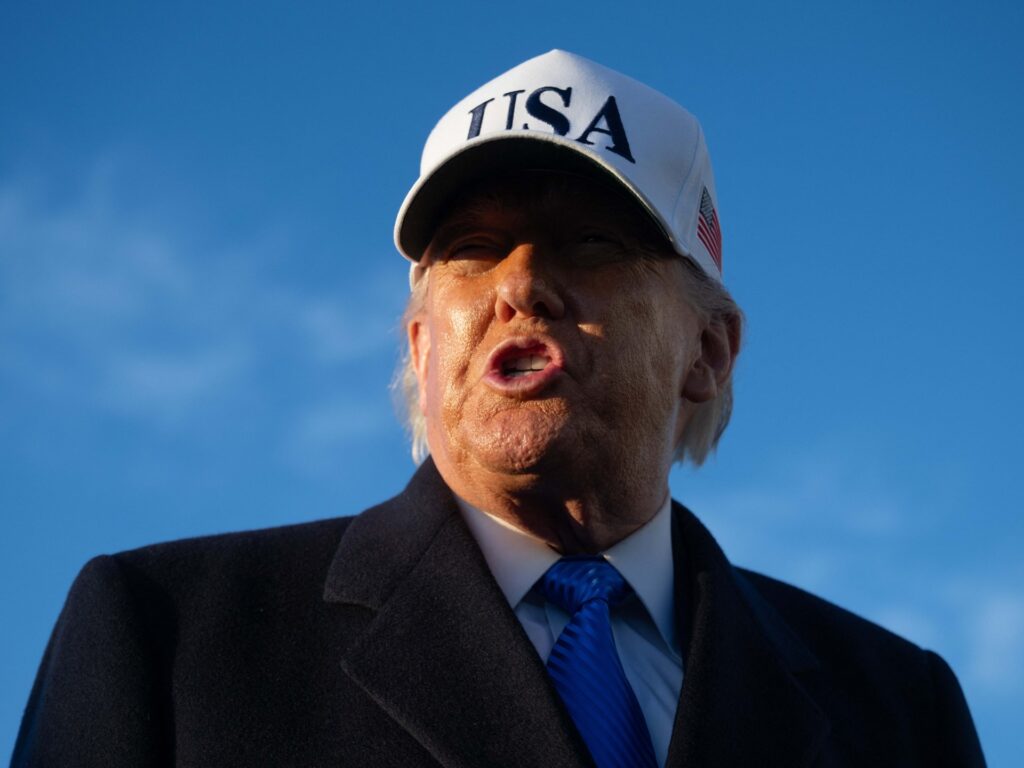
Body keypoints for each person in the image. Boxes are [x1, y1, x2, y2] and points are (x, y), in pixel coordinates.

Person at [12, 50, 985, 768]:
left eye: (590, 243)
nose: (519, 286)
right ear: (420, 345)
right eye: (472, 249)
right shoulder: (167, 637)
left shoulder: (899, 711)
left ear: (708, 350)